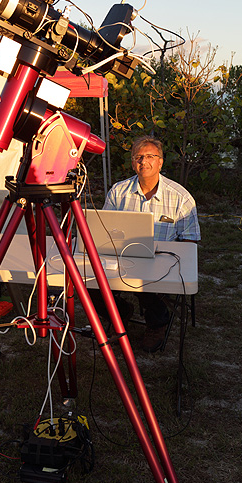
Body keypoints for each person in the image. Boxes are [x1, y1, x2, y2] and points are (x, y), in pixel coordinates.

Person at [91, 135, 201, 353]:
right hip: (122, 255)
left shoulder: (181, 197)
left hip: (162, 259)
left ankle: (157, 324)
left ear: (160, 161)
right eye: (139, 157)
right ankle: (120, 313)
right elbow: (103, 228)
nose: (144, 161)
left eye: (150, 156)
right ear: (133, 163)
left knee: (144, 282)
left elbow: (190, 241)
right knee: (89, 282)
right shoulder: (118, 192)